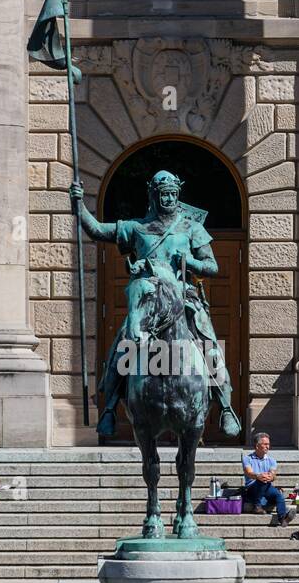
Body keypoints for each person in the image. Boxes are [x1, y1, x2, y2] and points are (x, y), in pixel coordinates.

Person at [70, 172, 243, 439]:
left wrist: (190, 262)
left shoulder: (191, 228)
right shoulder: (136, 227)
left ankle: (225, 405)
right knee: (124, 343)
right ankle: (110, 407)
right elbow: (97, 230)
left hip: (184, 299)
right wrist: (79, 206)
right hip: (148, 300)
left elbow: (212, 266)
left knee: (209, 343)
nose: (169, 198)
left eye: (173, 193)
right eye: (164, 194)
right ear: (153, 195)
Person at [241, 431, 295, 526]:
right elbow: (248, 472)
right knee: (261, 480)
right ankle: (257, 506)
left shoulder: (272, 460)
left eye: (268, 444)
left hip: (266, 485)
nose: (268, 447)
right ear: (257, 446)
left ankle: (282, 518)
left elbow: (273, 474)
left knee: (278, 495)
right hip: (251, 488)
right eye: (265, 444)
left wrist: (271, 477)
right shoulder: (247, 459)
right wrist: (258, 476)